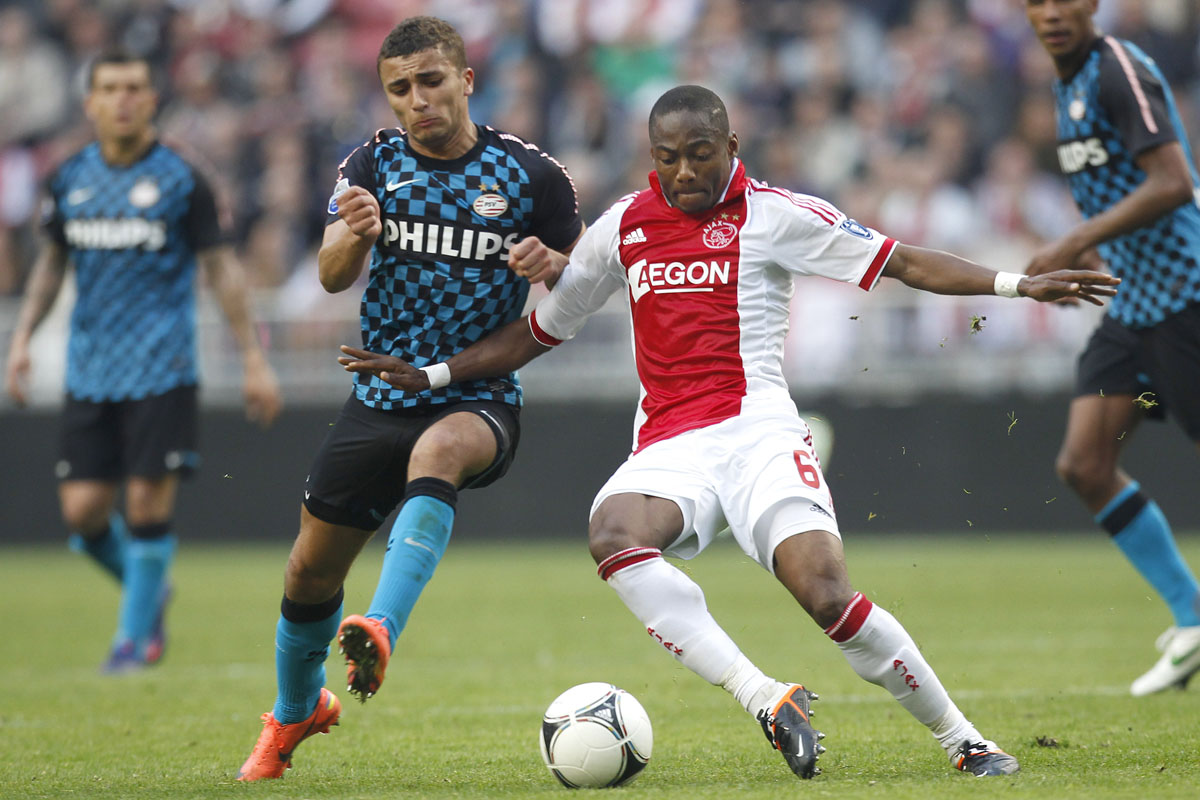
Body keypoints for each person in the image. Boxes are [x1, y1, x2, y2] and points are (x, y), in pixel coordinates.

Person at [340, 85, 1118, 779]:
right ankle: (766, 697)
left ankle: (963, 739)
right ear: (651, 156)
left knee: (826, 597)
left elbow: (904, 263)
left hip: (759, 436)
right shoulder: (623, 227)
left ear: (731, 147)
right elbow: (541, 331)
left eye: (700, 154)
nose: (683, 172)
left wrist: (1018, 283)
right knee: (613, 532)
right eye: (667, 158)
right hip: (671, 447)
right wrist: (435, 377)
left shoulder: (777, 216)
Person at [235, 16, 583, 782]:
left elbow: (582, 284)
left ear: (465, 80)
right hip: (380, 393)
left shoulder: (533, 176)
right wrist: (352, 236)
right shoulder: (370, 162)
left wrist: (556, 264)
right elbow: (331, 275)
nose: (417, 99)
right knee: (307, 575)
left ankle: (382, 628)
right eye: (400, 87)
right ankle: (295, 712)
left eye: (430, 80)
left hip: (478, 393)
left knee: (442, 450)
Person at [3, 49, 282, 673]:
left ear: (152, 99)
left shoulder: (184, 179)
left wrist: (253, 358)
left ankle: (131, 644)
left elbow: (221, 270)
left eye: (134, 87)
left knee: (147, 506)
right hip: (90, 368)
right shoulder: (69, 178)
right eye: (111, 89)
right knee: (82, 513)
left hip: (162, 368)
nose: (123, 99)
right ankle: (149, 585)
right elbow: (52, 263)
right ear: (91, 103)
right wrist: (22, 337)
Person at [1023, 0, 1200, 696]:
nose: (1052, 12)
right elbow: (1119, 188)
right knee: (1085, 463)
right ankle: (1193, 616)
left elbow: (1174, 182)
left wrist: (1070, 241)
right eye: (1036, 1)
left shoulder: (1118, 69)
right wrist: (1093, 256)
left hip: (1186, 294)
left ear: (1092, 4)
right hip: (1131, 303)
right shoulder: (1066, 83)